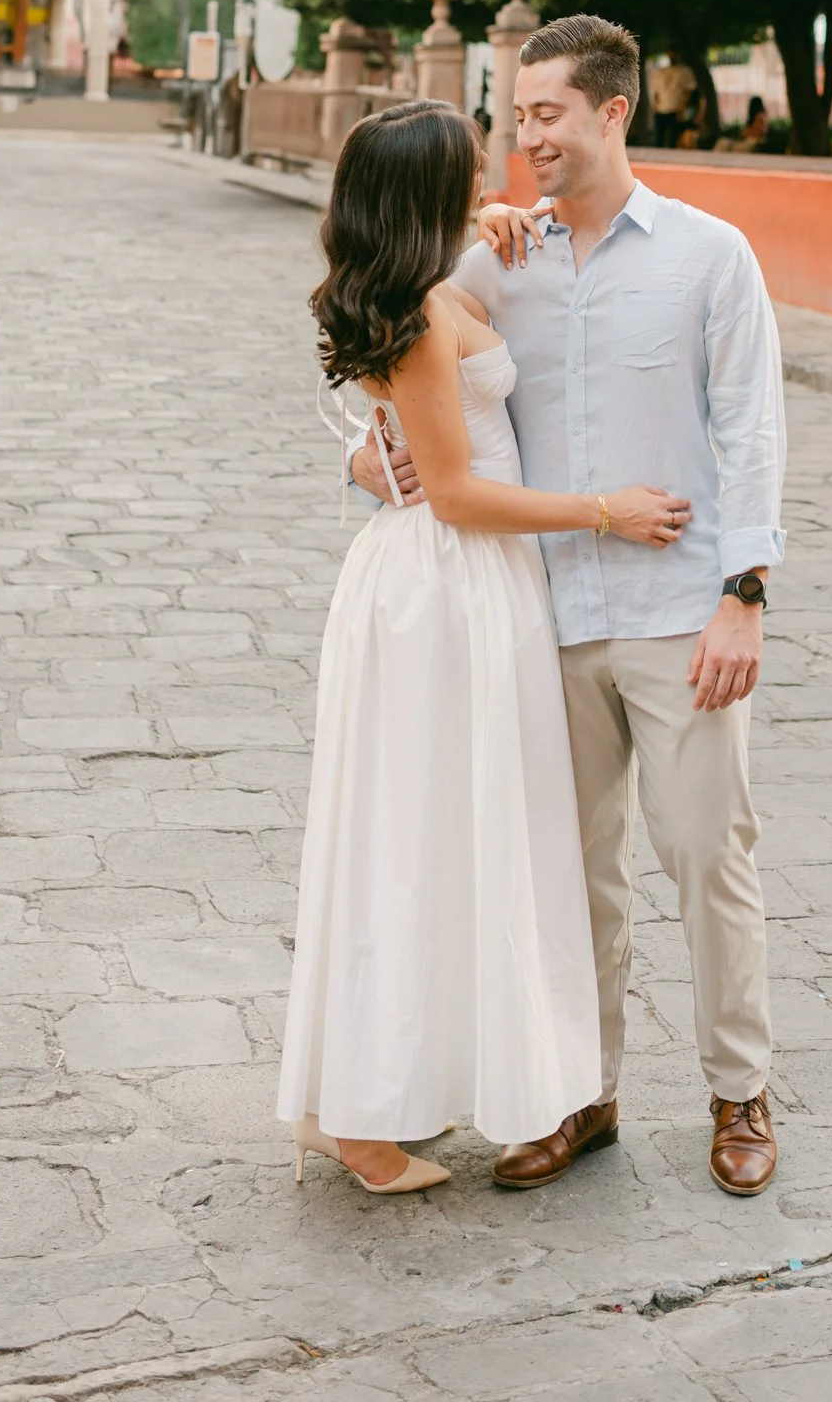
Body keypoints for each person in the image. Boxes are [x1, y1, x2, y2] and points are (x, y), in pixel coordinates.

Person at [354, 14, 787, 1197]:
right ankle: (580, 1094)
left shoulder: (711, 256)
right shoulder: (492, 265)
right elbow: (395, 397)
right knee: (569, 873)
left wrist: (744, 594)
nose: (524, 134)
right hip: (540, 616)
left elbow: (751, 432)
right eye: (513, 110)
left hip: (676, 611)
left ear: (612, 111)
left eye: (545, 111)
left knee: (708, 856)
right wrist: (364, 463)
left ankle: (738, 1089)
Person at [278, 100, 691, 1194]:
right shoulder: (416, 315)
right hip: (448, 585)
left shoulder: (413, 287)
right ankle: (365, 1122)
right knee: (419, 840)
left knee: (418, 836)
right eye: (471, 169)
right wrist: (605, 509)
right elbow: (456, 492)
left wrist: (497, 217)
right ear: (426, 192)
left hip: (443, 585)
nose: (490, 176)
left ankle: (351, 1093)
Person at [648, 50, 697, 150]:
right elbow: (656, 91)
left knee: (673, 139)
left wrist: (682, 108)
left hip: (675, 109)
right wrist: (655, 106)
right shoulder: (661, 72)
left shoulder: (685, 71)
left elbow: (688, 91)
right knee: (659, 138)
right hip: (661, 109)